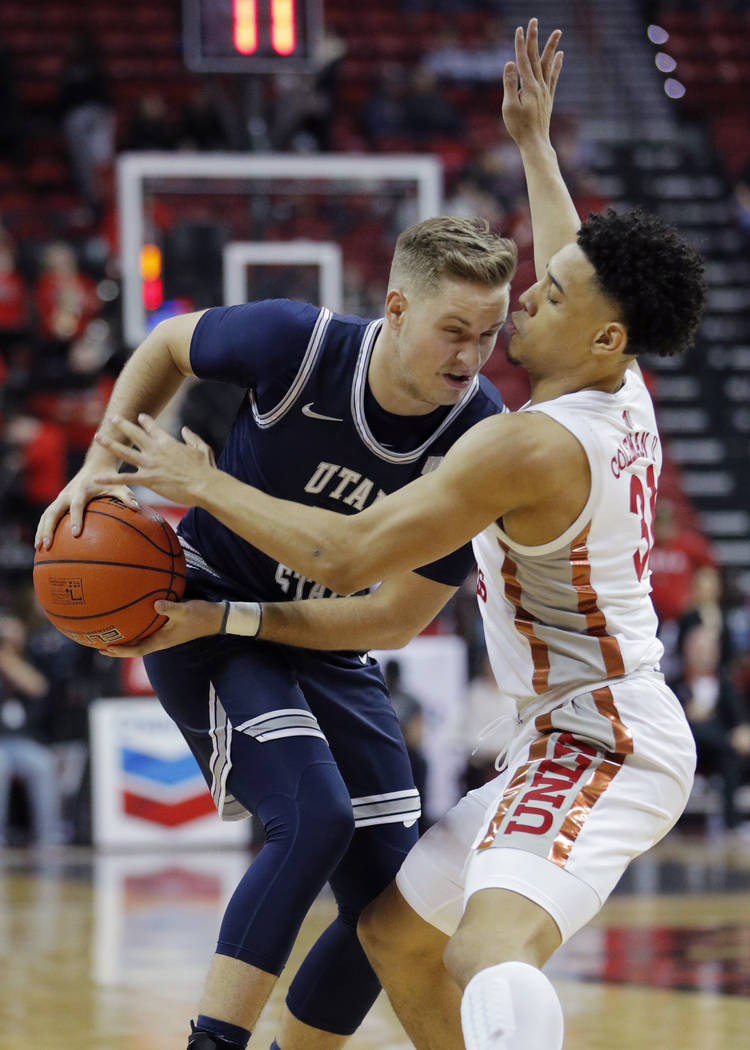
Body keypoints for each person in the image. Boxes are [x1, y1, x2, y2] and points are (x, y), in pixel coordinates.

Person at [79, 20, 708, 1049]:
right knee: (395, 933)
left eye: (537, 302)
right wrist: (536, 147)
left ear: (598, 336)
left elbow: (350, 557)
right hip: (566, 721)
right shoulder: (618, 378)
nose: (519, 314)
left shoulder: (521, 446)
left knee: (487, 948)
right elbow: (577, 266)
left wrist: (202, 481)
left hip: (603, 733)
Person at [36, 205, 516, 1047]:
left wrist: (219, 528)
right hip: (200, 615)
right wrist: (98, 467)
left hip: (319, 634)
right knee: (316, 817)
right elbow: (167, 345)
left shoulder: (479, 433)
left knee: (396, 902)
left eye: (488, 334)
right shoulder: (300, 345)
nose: (472, 356)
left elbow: (396, 618)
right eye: (454, 331)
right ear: (397, 310)